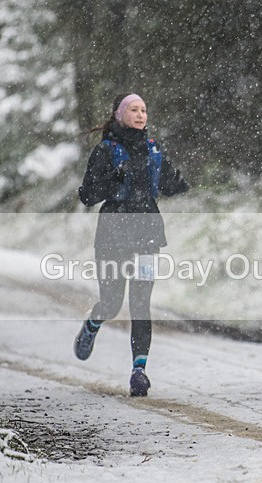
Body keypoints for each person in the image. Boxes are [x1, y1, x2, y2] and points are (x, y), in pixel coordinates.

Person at [74, 92, 188, 397]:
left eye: (144, 110)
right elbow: (87, 195)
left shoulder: (154, 150)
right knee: (112, 302)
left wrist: (178, 182)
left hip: (147, 233)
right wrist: (114, 178)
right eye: (134, 110)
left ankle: (139, 372)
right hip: (112, 233)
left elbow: (167, 184)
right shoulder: (106, 151)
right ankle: (93, 323)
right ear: (120, 115)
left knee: (140, 304)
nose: (140, 115)